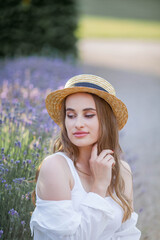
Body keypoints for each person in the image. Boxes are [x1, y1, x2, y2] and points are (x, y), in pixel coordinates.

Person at [30, 74, 141, 240]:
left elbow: (127, 233)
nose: (78, 124)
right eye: (71, 115)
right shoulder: (55, 167)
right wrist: (99, 187)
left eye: (88, 115)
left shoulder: (122, 170)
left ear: (106, 120)